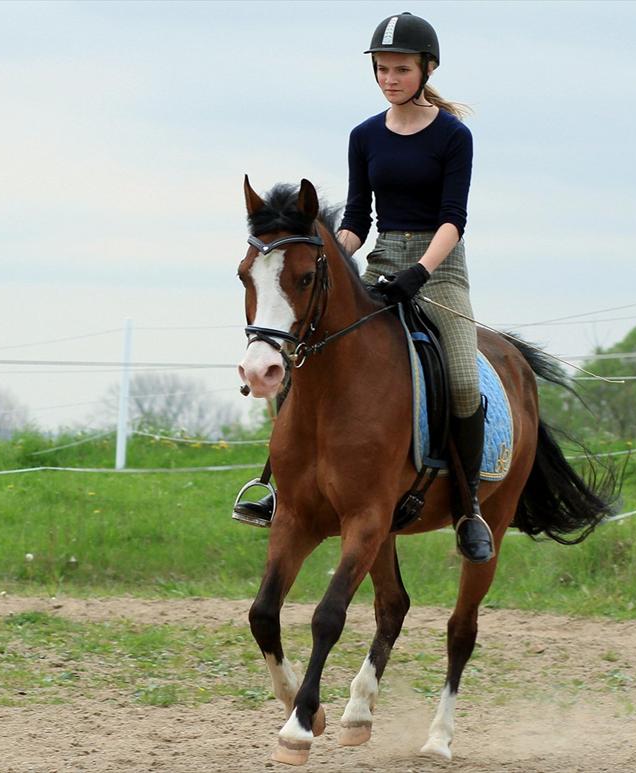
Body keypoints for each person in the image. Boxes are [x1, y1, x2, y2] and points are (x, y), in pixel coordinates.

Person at [233, 11, 494, 564]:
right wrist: (333, 258)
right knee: (307, 356)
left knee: (465, 381)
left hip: (440, 272)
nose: (389, 79)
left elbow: (454, 219)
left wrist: (420, 272)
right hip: (378, 263)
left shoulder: (453, 136)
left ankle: (469, 507)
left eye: (400, 69)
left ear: (426, 69)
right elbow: (356, 217)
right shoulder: (365, 135)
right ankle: (282, 487)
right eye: (381, 69)